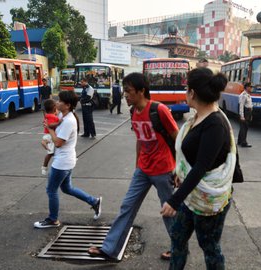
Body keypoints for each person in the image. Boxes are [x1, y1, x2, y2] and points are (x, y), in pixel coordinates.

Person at [88, 73, 179, 261]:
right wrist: (138, 164)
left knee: (168, 212)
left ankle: (179, 248)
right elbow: (140, 139)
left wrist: (179, 168)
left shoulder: (159, 110)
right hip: (143, 170)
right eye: (124, 91)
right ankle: (110, 249)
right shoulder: (133, 112)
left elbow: (177, 138)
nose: (125, 95)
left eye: (128, 91)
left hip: (164, 170)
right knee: (127, 207)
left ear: (141, 91)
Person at [160, 67, 233, 270]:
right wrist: (179, 172)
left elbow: (201, 166)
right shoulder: (196, 118)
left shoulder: (215, 124)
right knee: (177, 237)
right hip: (191, 195)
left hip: (209, 199)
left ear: (192, 93)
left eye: (186, 89)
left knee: (209, 247)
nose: (185, 93)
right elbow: (190, 156)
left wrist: (174, 200)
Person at [34, 91, 102, 229]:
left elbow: (58, 143)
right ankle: (94, 201)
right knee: (67, 188)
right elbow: (55, 124)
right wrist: (49, 126)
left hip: (62, 162)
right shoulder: (62, 115)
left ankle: (53, 219)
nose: (57, 103)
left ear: (68, 105)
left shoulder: (69, 121)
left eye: (59, 101)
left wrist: (49, 130)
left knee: (51, 190)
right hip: (66, 160)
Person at [41, 99, 61, 176]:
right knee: (51, 153)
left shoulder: (48, 116)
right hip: (50, 135)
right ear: (54, 108)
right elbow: (52, 124)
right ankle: (44, 167)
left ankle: (44, 141)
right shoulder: (54, 117)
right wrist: (59, 122)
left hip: (47, 134)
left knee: (52, 153)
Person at [238, 82, 253, 148]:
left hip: (248, 112)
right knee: (244, 127)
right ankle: (243, 142)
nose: (251, 88)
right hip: (245, 111)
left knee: (243, 127)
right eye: (250, 86)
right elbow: (241, 106)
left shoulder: (248, 95)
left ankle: (239, 141)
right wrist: (242, 116)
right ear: (247, 87)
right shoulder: (243, 95)